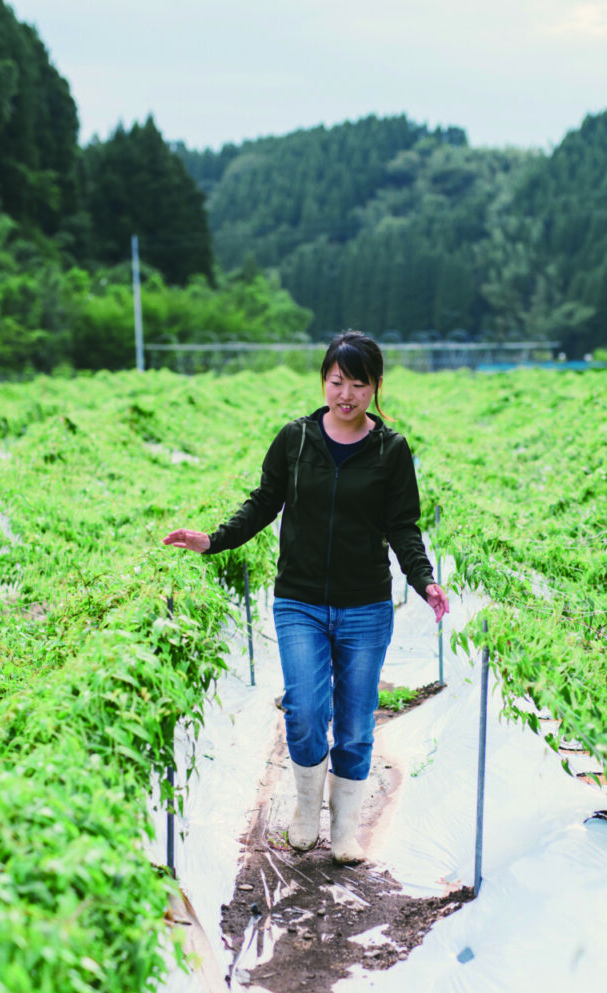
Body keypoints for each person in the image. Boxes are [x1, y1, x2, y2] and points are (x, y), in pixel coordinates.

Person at [162, 330, 449, 864]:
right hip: (299, 602)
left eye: (358, 385)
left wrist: (423, 579)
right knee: (306, 708)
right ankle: (304, 806)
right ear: (323, 381)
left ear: (375, 388)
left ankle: (344, 828)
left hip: (366, 606)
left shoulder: (391, 451)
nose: (346, 394)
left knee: (358, 719)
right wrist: (213, 540)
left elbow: (403, 526)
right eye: (337, 382)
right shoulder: (294, 441)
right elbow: (263, 503)